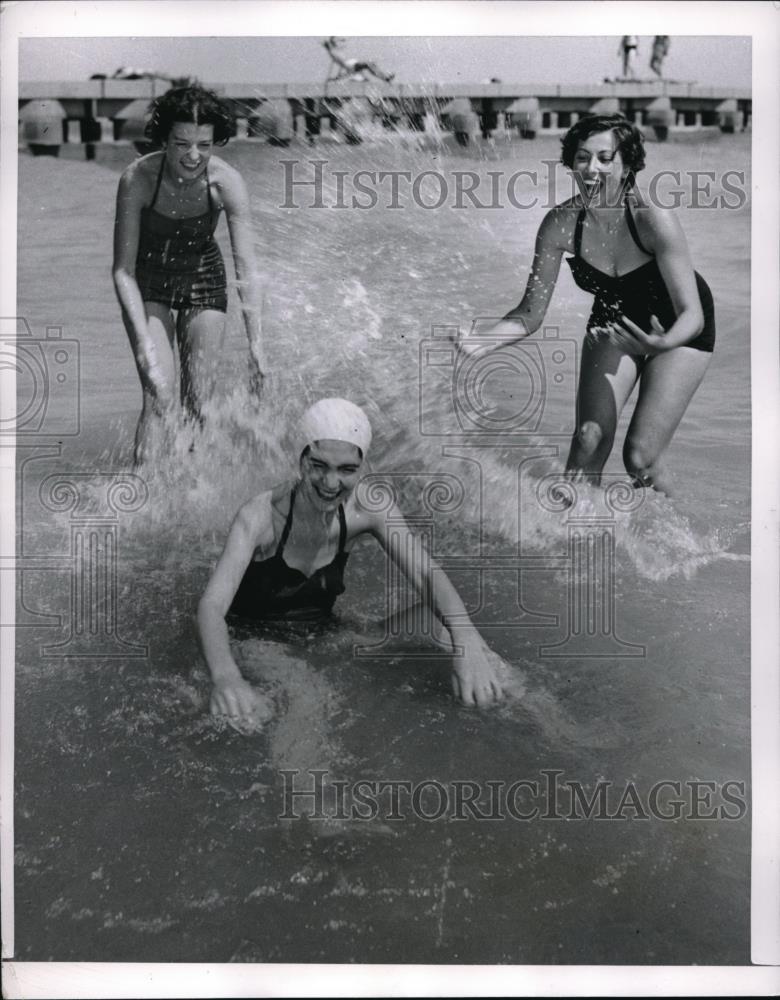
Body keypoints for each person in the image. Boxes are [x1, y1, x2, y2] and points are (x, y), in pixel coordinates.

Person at [197, 398, 507, 731]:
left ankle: (526, 719)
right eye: (318, 465)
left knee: (455, 628)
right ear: (299, 459)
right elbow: (212, 607)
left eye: (347, 470)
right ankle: (305, 783)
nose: (331, 484)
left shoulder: (369, 508)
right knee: (307, 692)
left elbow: (426, 574)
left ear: (363, 468)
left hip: (328, 633)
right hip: (256, 640)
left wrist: (468, 642)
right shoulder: (259, 517)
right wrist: (226, 677)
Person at [455, 114, 715, 496]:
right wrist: (485, 340)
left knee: (640, 457)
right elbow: (529, 314)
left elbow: (692, 313)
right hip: (615, 320)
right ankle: (573, 538)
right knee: (589, 439)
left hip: (675, 326)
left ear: (628, 165)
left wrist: (661, 343)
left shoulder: (652, 218)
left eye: (605, 158)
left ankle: (678, 536)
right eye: (581, 157)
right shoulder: (559, 224)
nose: (592, 168)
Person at [112, 85, 265, 465]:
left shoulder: (227, 183)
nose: (193, 156)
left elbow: (246, 267)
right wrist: (143, 346)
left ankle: (193, 502)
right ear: (164, 139)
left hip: (203, 278)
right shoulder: (138, 179)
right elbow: (122, 271)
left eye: (205, 145)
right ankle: (142, 498)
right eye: (181, 144)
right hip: (148, 281)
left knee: (201, 403)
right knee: (159, 394)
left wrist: (257, 344)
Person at [323, 36, 395, 84]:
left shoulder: (334, 51)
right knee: (368, 64)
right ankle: (385, 78)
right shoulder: (333, 52)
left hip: (351, 64)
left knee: (371, 64)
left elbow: (333, 41)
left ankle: (384, 77)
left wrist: (337, 77)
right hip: (350, 65)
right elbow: (332, 41)